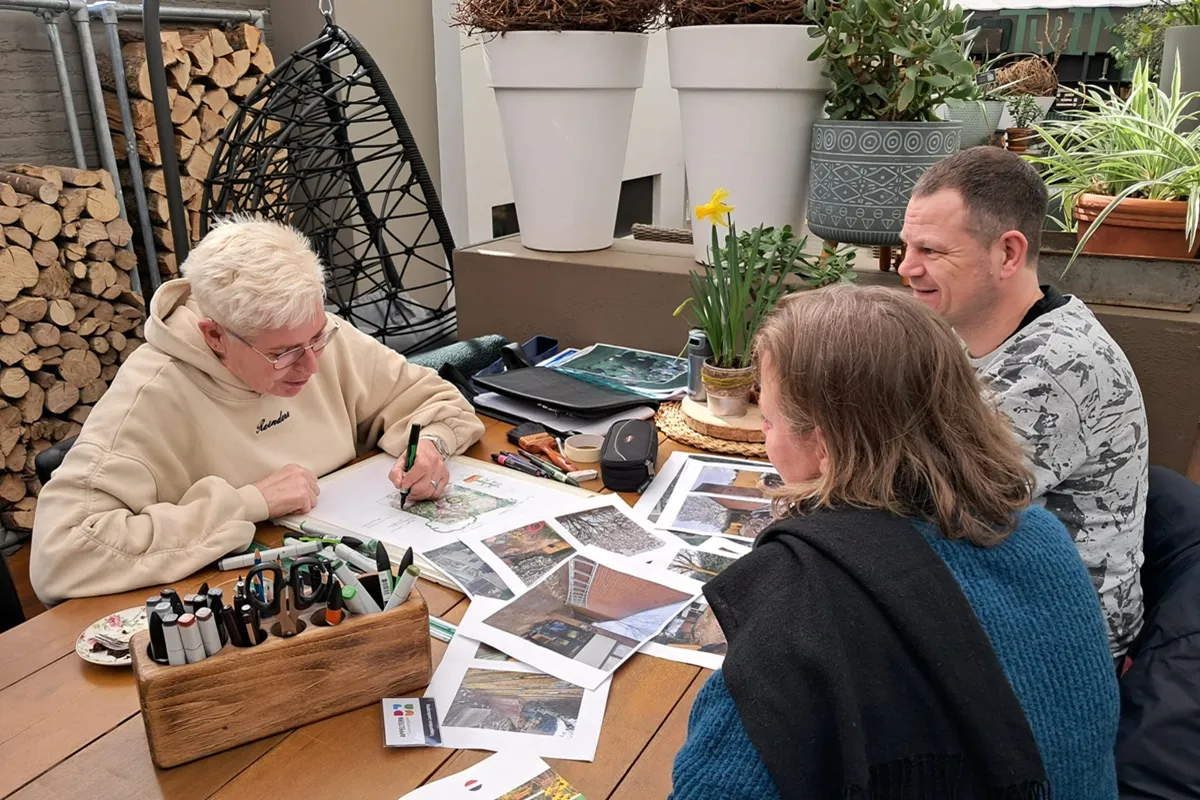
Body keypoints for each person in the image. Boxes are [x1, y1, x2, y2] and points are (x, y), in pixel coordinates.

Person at [671, 285, 1119, 800]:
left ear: (823, 441)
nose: (766, 438)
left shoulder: (800, 599)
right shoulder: (1043, 538)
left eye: (768, 420)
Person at [30, 218, 485, 605]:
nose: (311, 365)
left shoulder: (312, 334)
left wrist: (429, 443)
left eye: (317, 337)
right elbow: (63, 556)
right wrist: (248, 503)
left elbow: (434, 399)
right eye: (283, 354)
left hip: (358, 575)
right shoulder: (149, 397)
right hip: (243, 600)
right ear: (214, 337)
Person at [899, 146, 1148, 659]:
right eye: (907, 247)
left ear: (1008, 253)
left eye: (932, 251)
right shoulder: (970, 336)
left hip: (1060, 641)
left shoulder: (1054, 367)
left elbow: (931, 510)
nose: (907, 268)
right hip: (1000, 590)